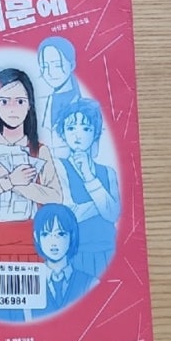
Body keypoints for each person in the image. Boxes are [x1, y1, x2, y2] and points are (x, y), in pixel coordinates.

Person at [0, 68, 62, 262]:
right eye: (4, 101)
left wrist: (15, 183)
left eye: (19, 102)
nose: (12, 109)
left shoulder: (40, 151)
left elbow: (56, 197)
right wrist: (9, 180)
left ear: (29, 105)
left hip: (34, 240)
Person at [53, 98, 120, 278]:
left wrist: (89, 177)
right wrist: (103, 205)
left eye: (86, 129)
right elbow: (70, 214)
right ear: (63, 133)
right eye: (71, 128)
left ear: (95, 133)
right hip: (76, 253)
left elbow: (114, 214)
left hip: (109, 249)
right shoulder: (58, 167)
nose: (78, 135)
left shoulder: (108, 172)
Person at [31, 203, 96, 319]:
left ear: (72, 235)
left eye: (60, 234)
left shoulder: (90, 283)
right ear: (36, 237)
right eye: (46, 234)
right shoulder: (27, 283)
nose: (53, 242)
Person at [37, 36, 81, 156]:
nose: (50, 73)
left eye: (57, 65)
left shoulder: (86, 105)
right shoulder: (41, 104)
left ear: (72, 65)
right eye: (44, 67)